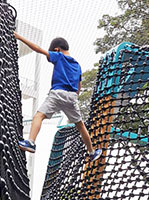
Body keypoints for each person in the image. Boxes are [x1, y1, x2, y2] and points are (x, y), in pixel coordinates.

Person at [15, 32, 103, 161]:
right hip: (72, 97)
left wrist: (19, 37)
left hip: (57, 93)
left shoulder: (59, 56)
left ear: (57, 49)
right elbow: (79, 85)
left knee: (39, 116)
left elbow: (38, 49)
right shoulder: (77, 65)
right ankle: (91, 152)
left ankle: (31, 142)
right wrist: (74, 98)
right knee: (80, 125)